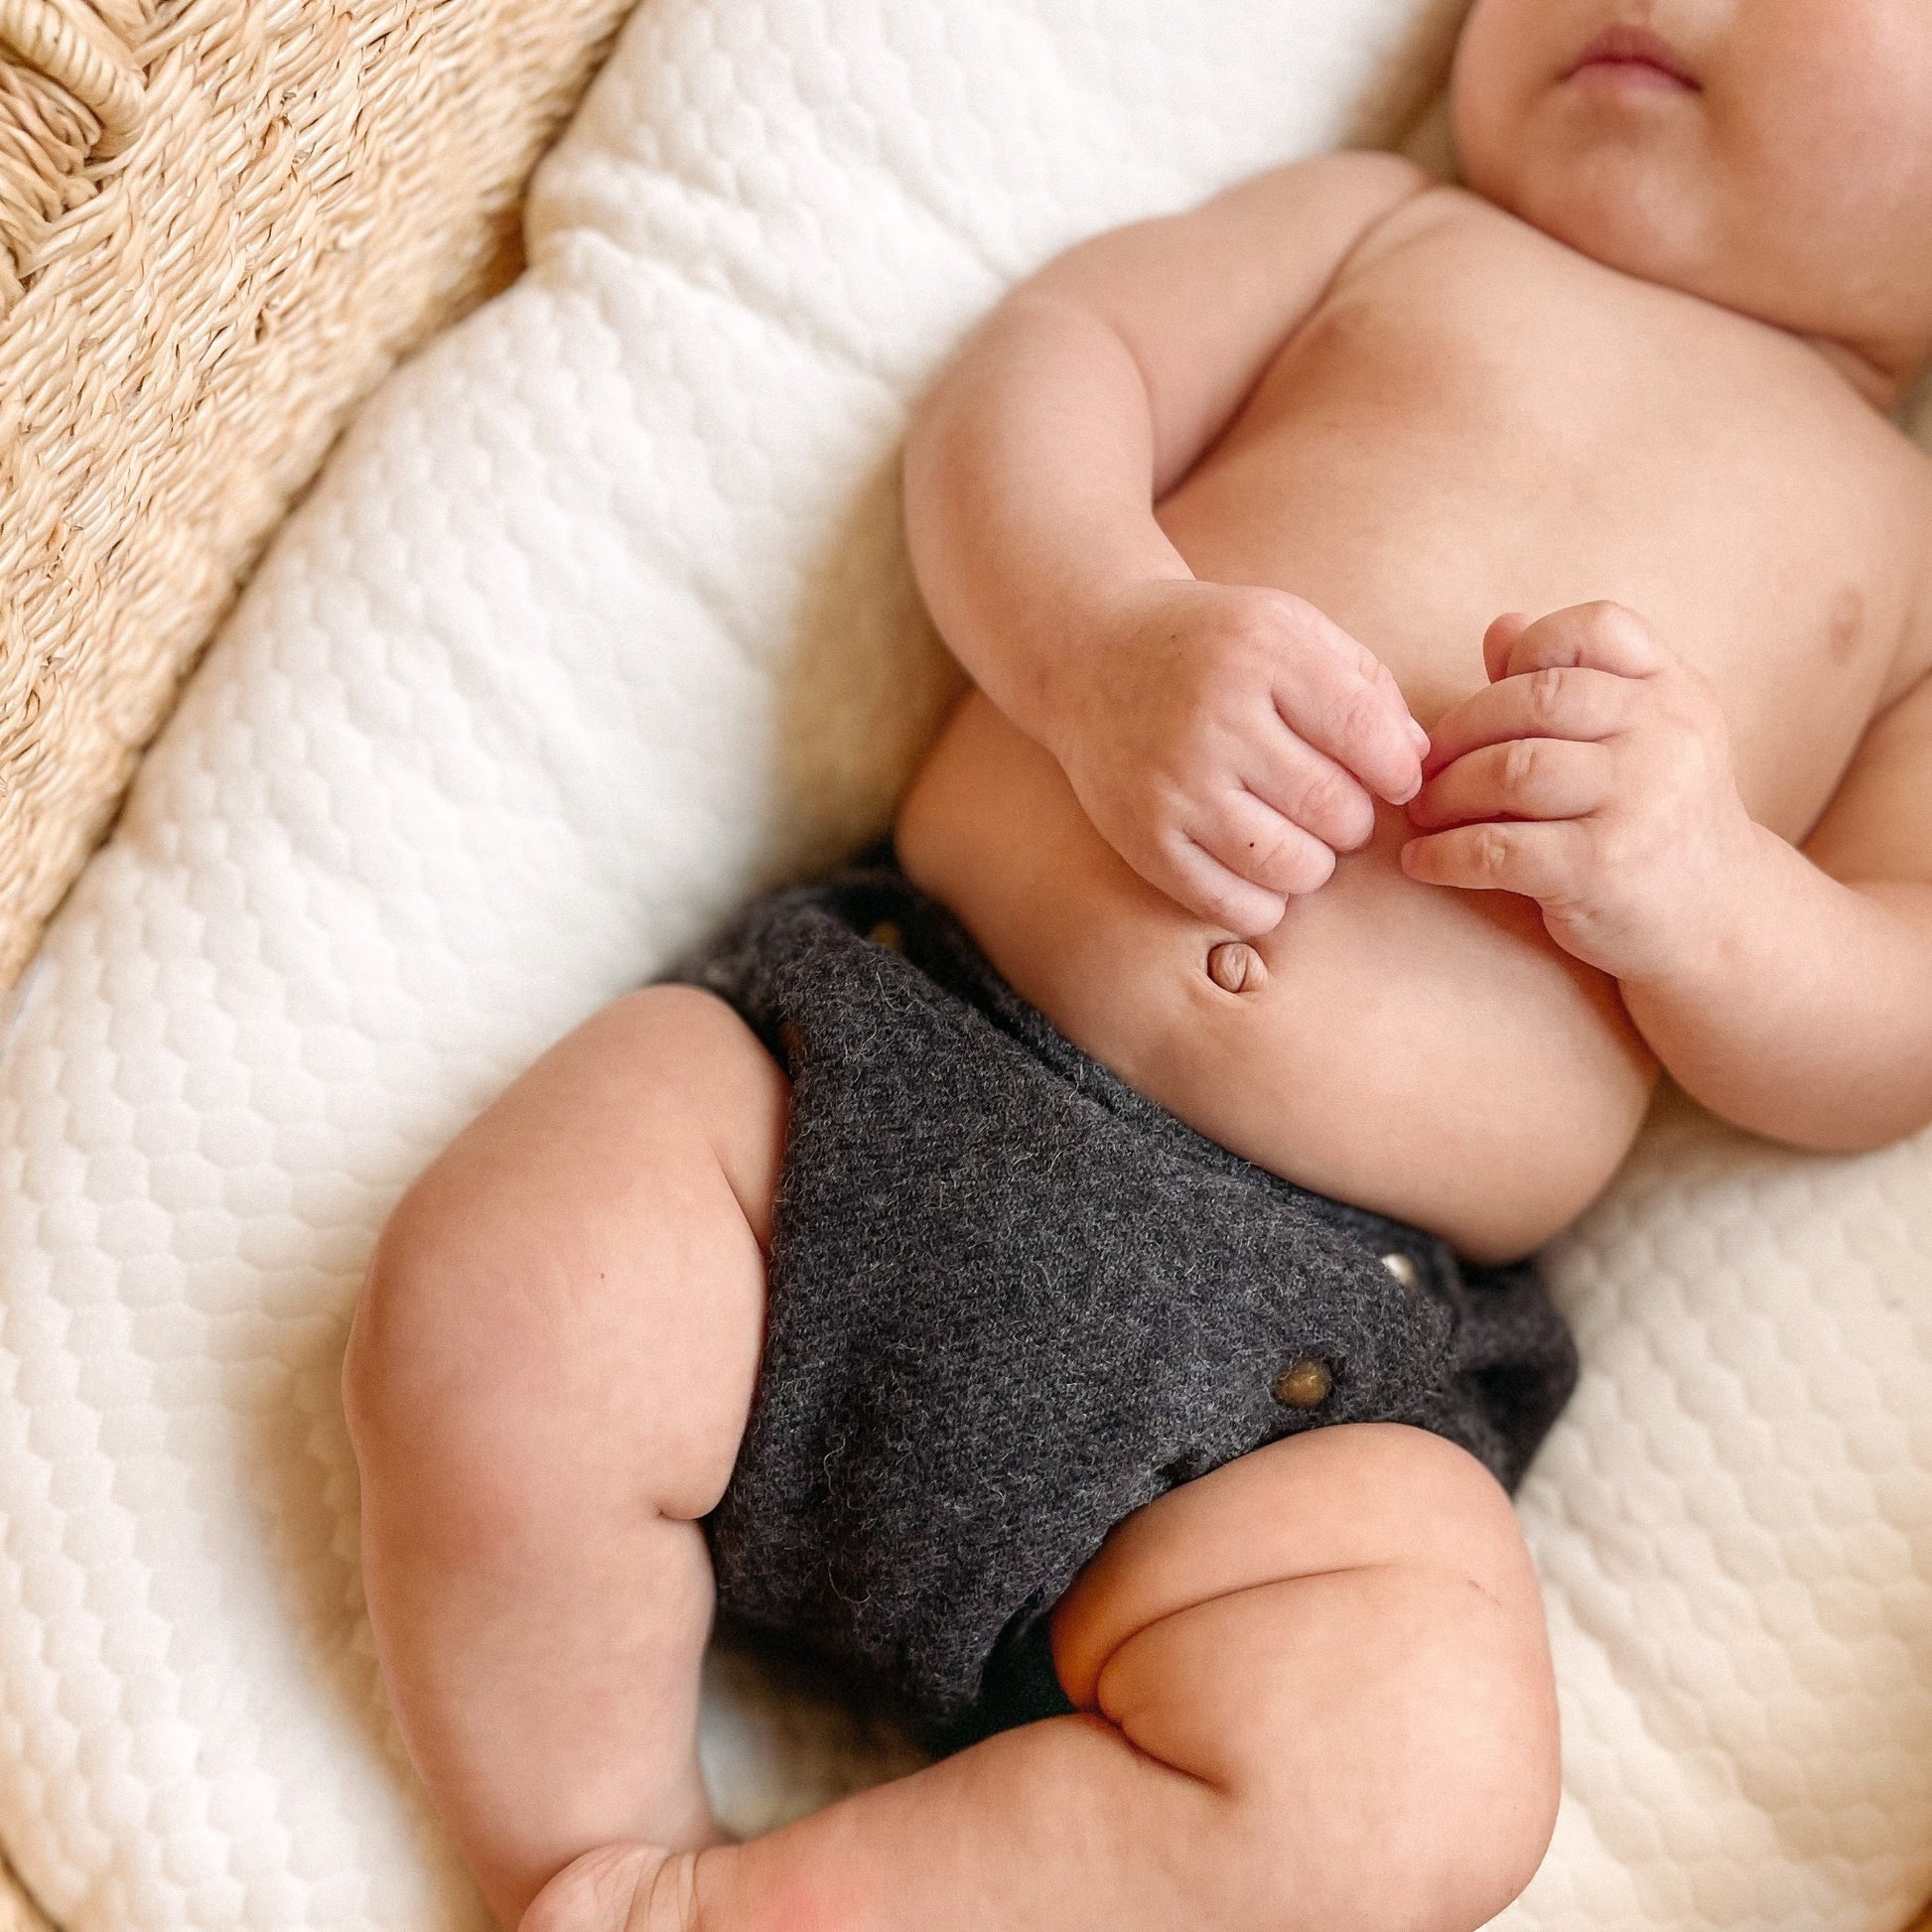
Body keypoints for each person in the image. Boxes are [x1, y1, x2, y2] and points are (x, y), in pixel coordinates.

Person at [343, 3, 1932, 1927]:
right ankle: (581, 1845)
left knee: (1419, 1778)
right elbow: (1047, 369)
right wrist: (1094, 638)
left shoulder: (1908, 558)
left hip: (1287, 1401)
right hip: (868, 1095)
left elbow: (1897, 1008)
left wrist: (1709, 899)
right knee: (514, 1282)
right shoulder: (1377, 226)